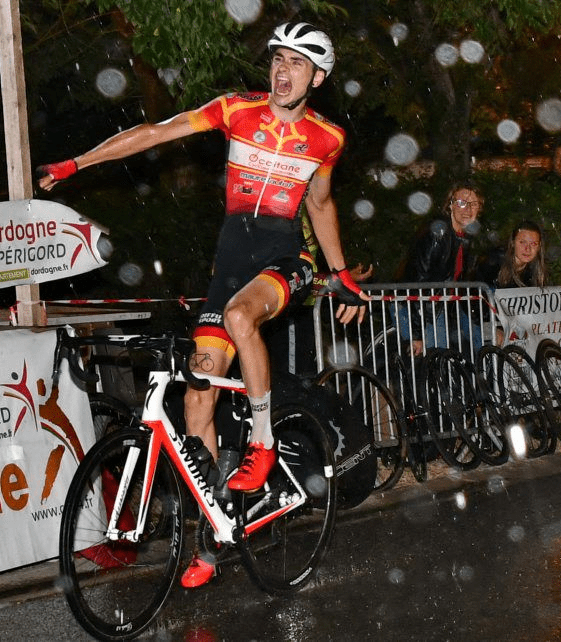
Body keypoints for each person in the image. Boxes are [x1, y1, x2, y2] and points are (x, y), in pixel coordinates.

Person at [38, 22, 369, 587]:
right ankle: (217, 530)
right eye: (278, 59)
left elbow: (319, 203)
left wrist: (339, 276)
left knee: (242, 317)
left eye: (296, 63)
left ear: (317, 77)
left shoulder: (327, 138)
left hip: (285, 260)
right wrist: (76, 165)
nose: (282, 71)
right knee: (198, 395)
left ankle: (263, 443)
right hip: (230, 267)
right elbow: (153, 132)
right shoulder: (235, 110)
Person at [400, 182, 483, 355]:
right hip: (420, 306)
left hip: (442, 304)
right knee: (438, 356)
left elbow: (465, 280)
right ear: (450, 205)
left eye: (474, 204)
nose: (468, 209)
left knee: (476, 342)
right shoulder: (437, 233)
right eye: (461, 202)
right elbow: (417, 282)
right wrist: (416, 333)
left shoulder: (467, 237)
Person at [479, 220, 549, 290]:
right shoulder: (494, 264)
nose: (528, 249)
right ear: (513, 243)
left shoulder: (538, 271)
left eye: (533, 244)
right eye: (522, 242)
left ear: (539, 247)